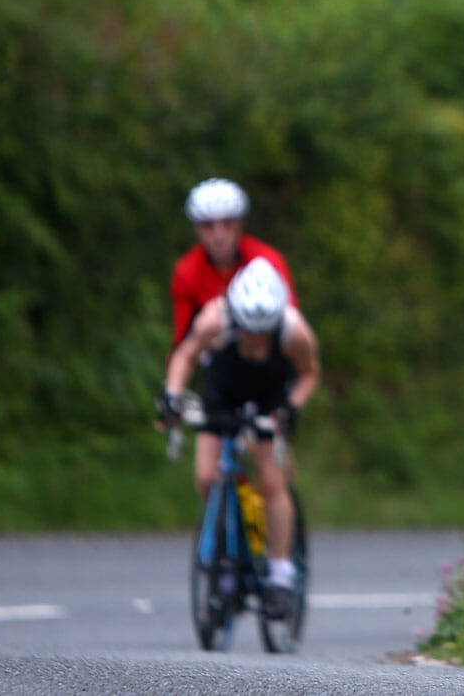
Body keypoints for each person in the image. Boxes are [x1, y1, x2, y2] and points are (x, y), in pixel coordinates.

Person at [158, 257, 321, 620]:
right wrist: (172, 395)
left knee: (271, 481)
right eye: (248, 329)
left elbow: (309, 374)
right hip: (224, 392)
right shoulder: (214, 320)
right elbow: (185, 355)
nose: (256, 338)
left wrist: (291, 408)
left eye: (264, 331)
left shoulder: (295, 333)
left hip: (271, 396)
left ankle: (280, 572)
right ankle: (226, 551)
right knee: (206, 475)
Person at [169, 178, 299, 351]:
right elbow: (182, 339)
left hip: (269, 350)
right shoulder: (186, 271)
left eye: (227, 223)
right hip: (217, 355)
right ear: (196, 229)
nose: (219, 235)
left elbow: (292, 322)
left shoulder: (268, 260)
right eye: (208, 226)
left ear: (241, 223)